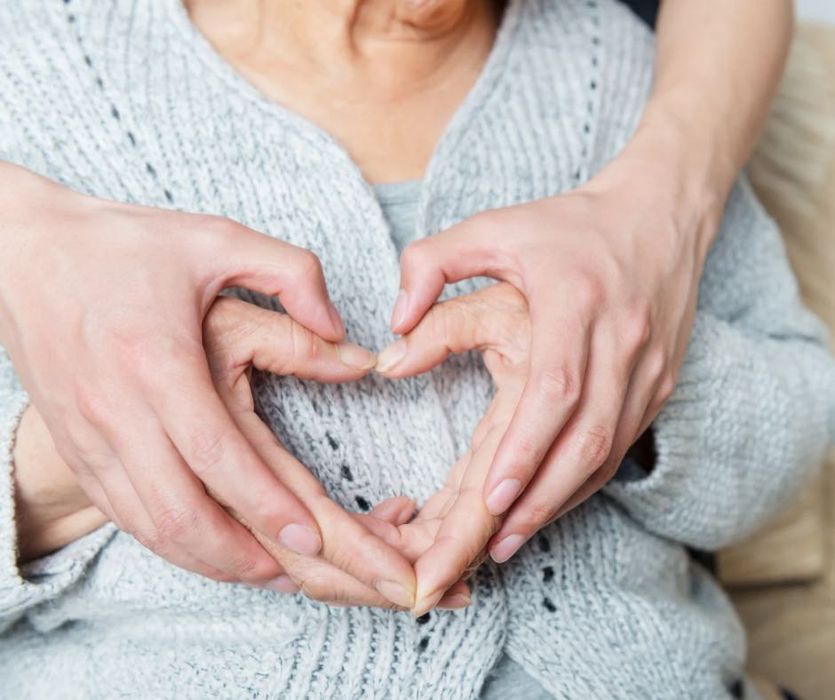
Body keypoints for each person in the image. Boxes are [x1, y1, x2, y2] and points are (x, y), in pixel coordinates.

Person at [1, 0, 832, 698]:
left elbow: (783, 440)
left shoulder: (619, 69)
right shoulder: (31, 75)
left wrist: (631, 380)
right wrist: (62, 466)